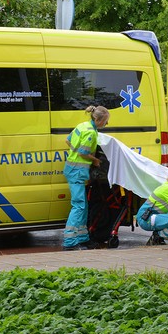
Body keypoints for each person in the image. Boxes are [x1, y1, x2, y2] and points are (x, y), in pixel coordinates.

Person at [62, 105, 110, 251]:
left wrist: (75, 153)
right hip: (77, 171)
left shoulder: (82, 126)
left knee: (83, 206)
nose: (106, 124)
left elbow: (68, 140)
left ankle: (83, 238)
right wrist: (95, 160)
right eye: (105, 121)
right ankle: (69, 241)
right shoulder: (91, 133)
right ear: (98, 119)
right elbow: (83, 153)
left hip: (74, 170)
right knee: (79, 205)